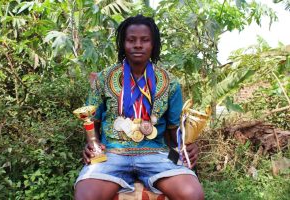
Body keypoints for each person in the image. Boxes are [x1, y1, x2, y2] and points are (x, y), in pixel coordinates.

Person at [74, 14, 204, 200]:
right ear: (123, 44)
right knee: (85, 196)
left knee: (193, 195)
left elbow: (173, 131)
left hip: (158, 154)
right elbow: (91, 120)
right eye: (131, 40)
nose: (138, 45)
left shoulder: (170, 83)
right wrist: (91, 144)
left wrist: (185, 148)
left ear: (154, 44)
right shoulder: (104, 78)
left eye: (145, 40)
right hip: (112, 153)